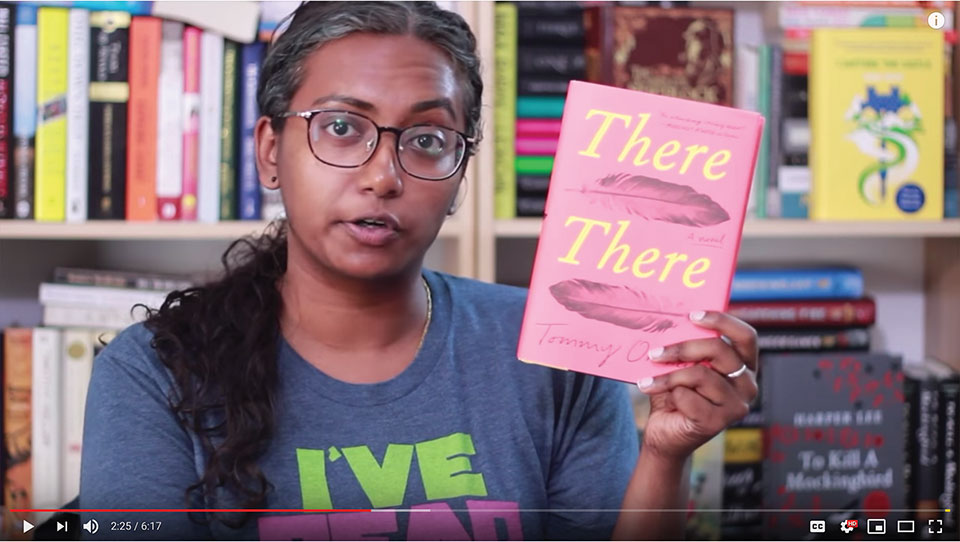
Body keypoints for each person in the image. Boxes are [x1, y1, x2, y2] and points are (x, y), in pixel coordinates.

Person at [79, 2, 758, 540]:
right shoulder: (154, 374)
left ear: (460, 175)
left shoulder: (557, 352)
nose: (383, 175)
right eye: (341, 127)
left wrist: (665, 454)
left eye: (428, 139)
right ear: (270, 152)